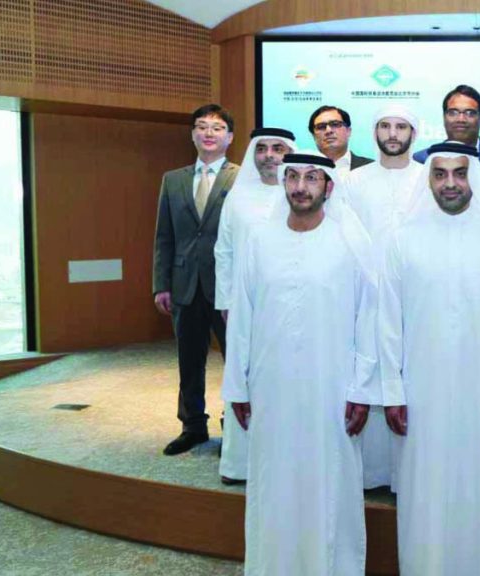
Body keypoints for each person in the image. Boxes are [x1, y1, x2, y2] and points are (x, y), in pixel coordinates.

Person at [378, 142, 480, 576]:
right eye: (440, 174)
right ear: (428, 179)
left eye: (459, 173)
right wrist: (392, 391)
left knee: (478, 492)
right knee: (421, 492)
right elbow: (388, 322)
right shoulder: (403, 239)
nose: (450, 183)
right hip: (419, 395)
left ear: (473, 178)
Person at [222, 153, 377, 576]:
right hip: (270, 389)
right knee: (273, 481)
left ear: (328, 187)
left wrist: (362, 389)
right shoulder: (260, 241)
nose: (300, 187)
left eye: (311, 178)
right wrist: (237, 386)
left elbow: (369, 320)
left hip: (333, 391)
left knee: (329, 482)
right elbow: (242, 318)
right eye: (292, 177)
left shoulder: (350, 243)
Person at [342, 104, 423, 491]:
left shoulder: (427, 178)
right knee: (367, 373)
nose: (393, 133)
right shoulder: (354, 181)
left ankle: (405, 474)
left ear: (413, 133)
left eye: (401, 126)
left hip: (415, 296)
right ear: (374, 132)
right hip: (365, 295)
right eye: (385, 126)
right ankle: (372, 473)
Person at [152, 103, 239, 456]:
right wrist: (161, 284)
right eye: (201, 127)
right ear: (192, 134)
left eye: (217, 128)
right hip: (184, 284)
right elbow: (164, 236)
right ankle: (192, 426)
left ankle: (235, 427)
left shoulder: (242, 178)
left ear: (229, 137)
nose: (208, 133)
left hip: (228, 287)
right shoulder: (172, 179)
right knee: (189, 361)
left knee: (237, 360)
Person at [213, 126, 296, 485]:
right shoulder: (238, 197)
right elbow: (224, 251)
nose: (269, 155)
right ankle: (240, 463)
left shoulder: (299, 193)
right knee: (244, 378)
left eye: (278, 148)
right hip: (244, 307)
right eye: (262, 149)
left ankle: (286, 459)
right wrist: (226, 302)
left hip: (291, 306)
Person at [413, 85, 480, 165]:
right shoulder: (423, 159)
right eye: (453, 112)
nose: (461, 119)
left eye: (470, 113)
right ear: (444, 118)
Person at [308, 105, 374, 179]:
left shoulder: (372, 168)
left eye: (335, 124)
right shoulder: (304, 169)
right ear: (313, 136)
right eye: (321, 127)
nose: (328, 131)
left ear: (348, 131)